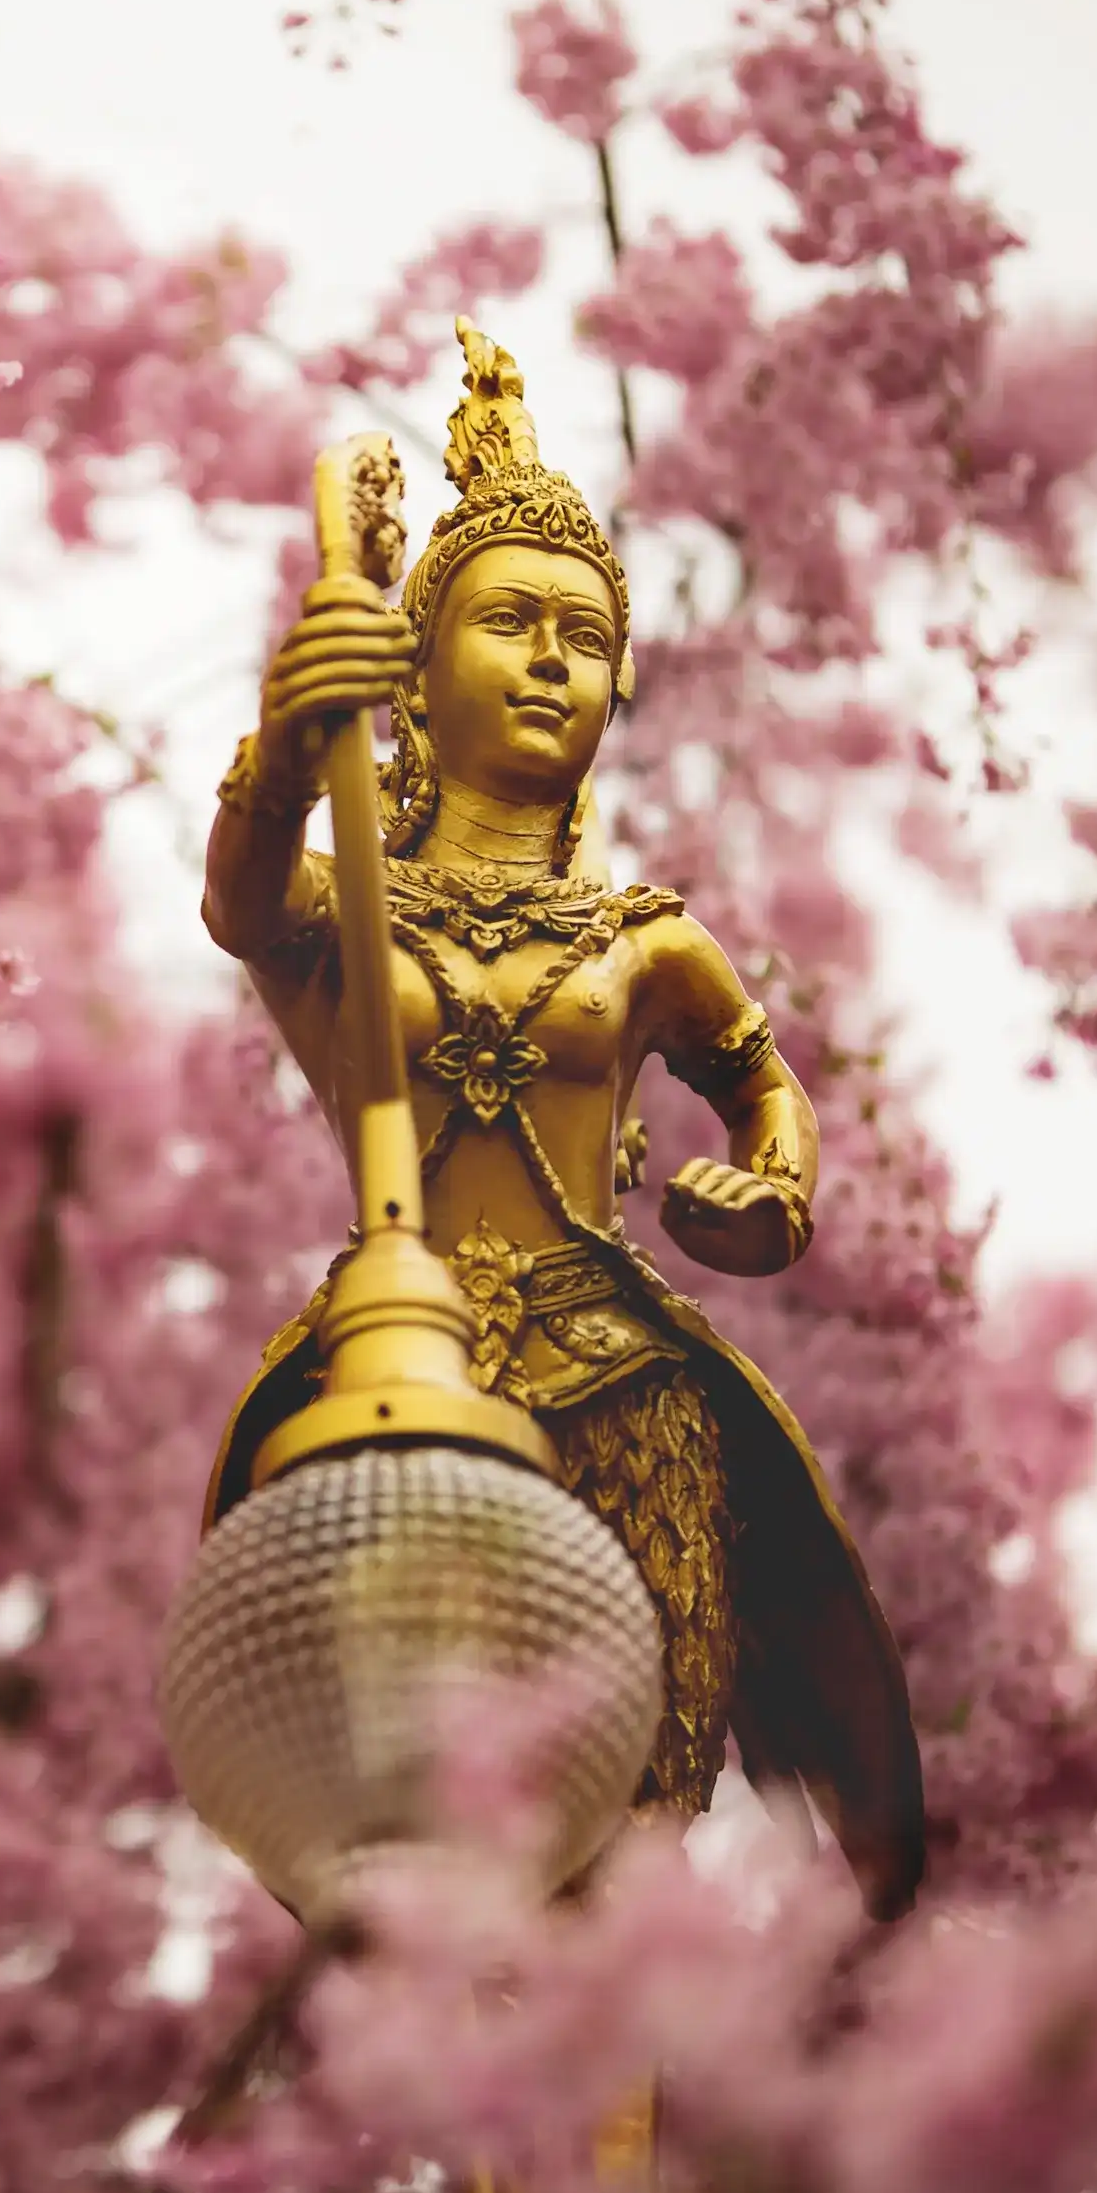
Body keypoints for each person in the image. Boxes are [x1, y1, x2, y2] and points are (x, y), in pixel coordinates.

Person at [199, 325, 924, 1916]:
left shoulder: (645, 942)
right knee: (417, 1798)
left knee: (627, 1820)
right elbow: (239, 902)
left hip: (625, 1393)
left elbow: (761, 1082)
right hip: (406, 1393)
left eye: (583, 639)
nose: (547, 662)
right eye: (509, 622)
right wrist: (283, 732)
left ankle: (618, 2103)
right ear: (419, 664)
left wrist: (773, 1186)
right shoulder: (344, 902)